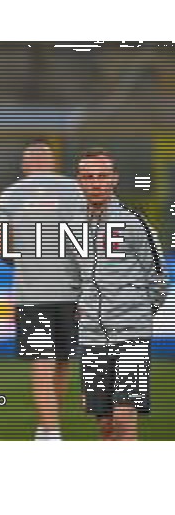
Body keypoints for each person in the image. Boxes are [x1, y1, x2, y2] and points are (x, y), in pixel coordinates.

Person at [0, 140, 86, 440]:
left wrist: (29, 261)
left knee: (43, 361)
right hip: (71, 289)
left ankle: (49, 428)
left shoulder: (9, 195)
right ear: (53, 162)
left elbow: (0, 247)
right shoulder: (74, 190)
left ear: (24, 165)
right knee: (62, 361)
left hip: (32, 290)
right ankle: (49, 426)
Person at [75, 148, 168, 440]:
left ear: (115, 179)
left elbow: (158, 282)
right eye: (88, 176)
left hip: (131, 334)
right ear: (79, 181)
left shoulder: (136, 224)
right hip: (91, 335)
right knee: (105, 427)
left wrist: (135, 315)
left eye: (102, 176)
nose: (96, 182)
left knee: (125, 418)